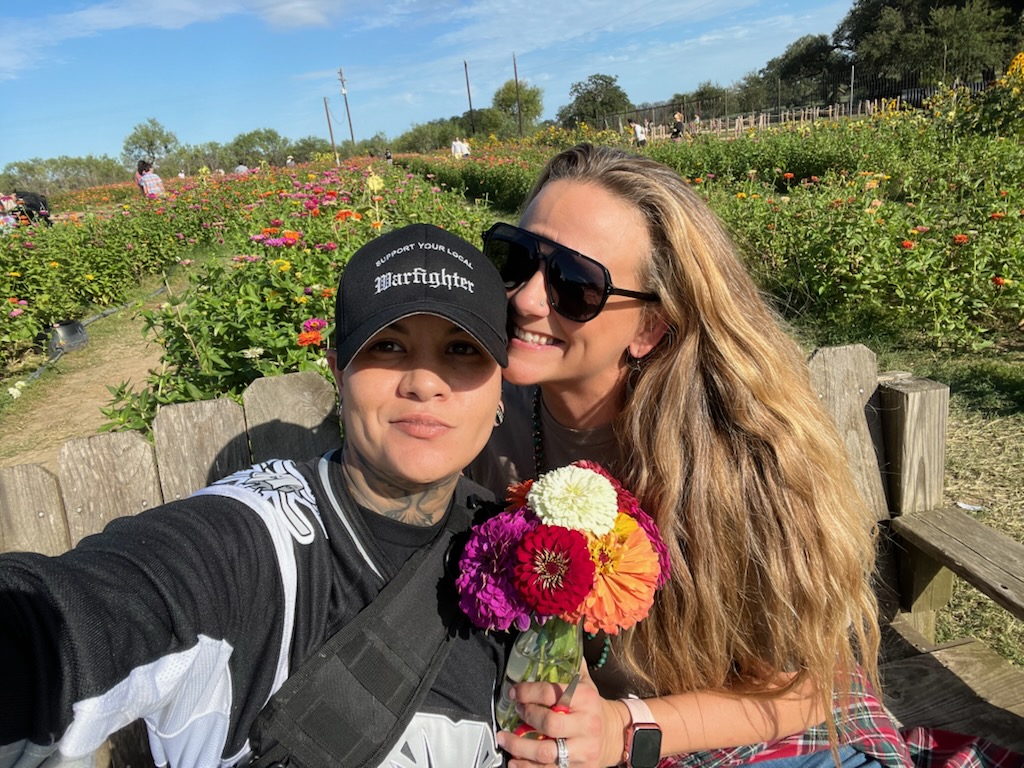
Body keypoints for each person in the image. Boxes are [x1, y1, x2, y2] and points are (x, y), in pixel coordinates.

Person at [0, 224, 512, 768]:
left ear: (502, 382)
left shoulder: (513, 547)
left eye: (462, 348)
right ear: (339, 372)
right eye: (388, 345)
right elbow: (75, 619)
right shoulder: (251, 543)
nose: (424, 382)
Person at [469, 143, 907, 768]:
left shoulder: (734, 452)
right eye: (515, 259)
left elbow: (811, 683)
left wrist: (623, 730)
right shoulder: (475, 413)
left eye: (574, 284)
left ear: (650, 328)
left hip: (737, 731)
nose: (527, 299)